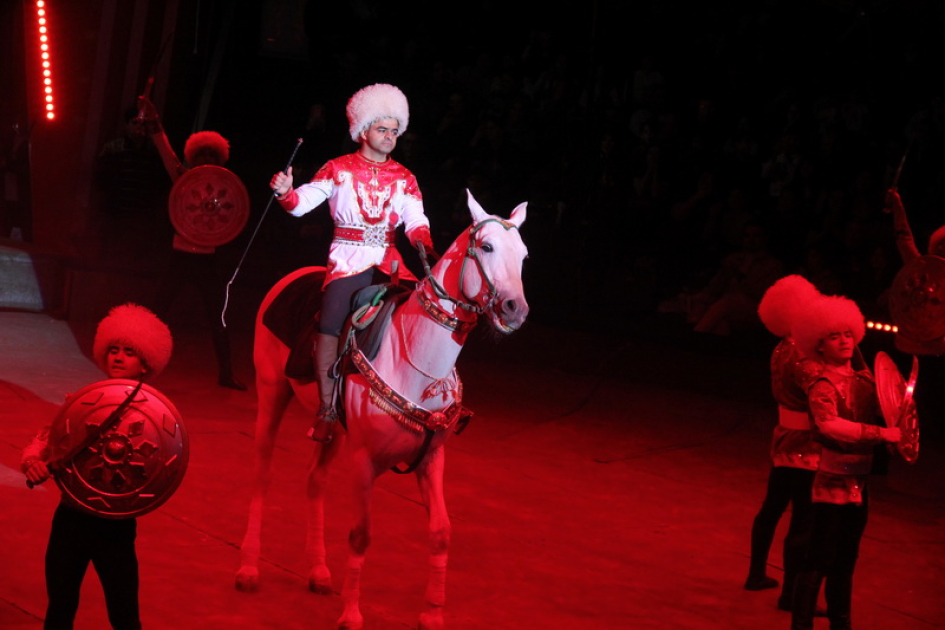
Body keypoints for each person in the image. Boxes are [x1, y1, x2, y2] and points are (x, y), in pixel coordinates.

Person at [269, 83, 436, 443]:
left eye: (395, 131)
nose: (390, 137)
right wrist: (285, 191)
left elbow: (415, 217)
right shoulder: (337, 169)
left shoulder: (406, 178)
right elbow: (300, 205)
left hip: (391, 264)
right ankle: (327, 408)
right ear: (362, 131)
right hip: (347, 261)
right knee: (330, 323)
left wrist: (423, 240)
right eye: (382, 129)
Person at [21, 303, 173, 630]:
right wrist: (33, 461)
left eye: (129, 351)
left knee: (124, 616)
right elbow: (45, 440)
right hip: (70, 519)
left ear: (146, 362)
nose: (118, 357)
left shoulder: (154, 420)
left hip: (115, 528)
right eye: (114, 350)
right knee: (59, 609)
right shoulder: (83, 401)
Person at [789, 294, 901, 630]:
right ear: (819, 344)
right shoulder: (821, 383)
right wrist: (881, 434)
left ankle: (841, 623)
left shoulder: (865, 381)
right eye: (834, 336)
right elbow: (829, 424)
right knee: (819, 557)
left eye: (848, 334)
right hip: (829, 482)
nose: (844, 341)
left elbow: (893, 408)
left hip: (859, 482)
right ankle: (801, 626)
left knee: (847, 558)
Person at [136, 95, 246, 390]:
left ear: (218, 160)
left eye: (211, 156)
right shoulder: (183, 179)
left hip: (208, 260)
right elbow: (165, 152)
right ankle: (137, 364)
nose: (206, 160)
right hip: (180, 255)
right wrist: (155, 123)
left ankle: (225, 373)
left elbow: (233, 215)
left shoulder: (224, 188)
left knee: (217, 318)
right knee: (157, 313)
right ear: (194, 158)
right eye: (202, 155)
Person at [744, 275, 825, 614]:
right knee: (803, 519)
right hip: (807, 443)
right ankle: (790, 595)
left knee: (772, 508)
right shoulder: (804, 355)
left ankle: (756, 573)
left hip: (783, 440)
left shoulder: (780, 348)